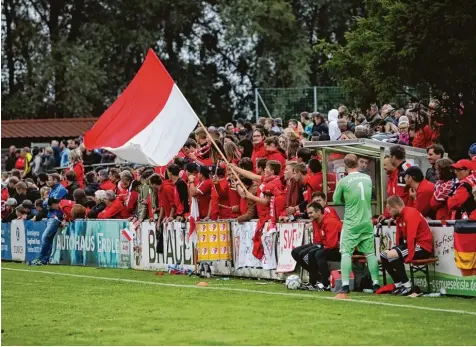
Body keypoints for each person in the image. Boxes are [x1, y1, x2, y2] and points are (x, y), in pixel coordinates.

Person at [333, 154, 380, 297]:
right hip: (366, 220)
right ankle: (376, 283)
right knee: (370, 253)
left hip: (352, 222)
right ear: (358, 164)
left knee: (346, 252)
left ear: (345, 165)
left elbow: (335, 200)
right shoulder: (367, 178)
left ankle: (345, 285)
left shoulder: (343, 181)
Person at [380, 196, 433, 295]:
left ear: (396, 207)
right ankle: (398, 284)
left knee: (392, 255)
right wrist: (397, 249)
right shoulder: (399, 217)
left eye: (389, 209)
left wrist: (409, 256)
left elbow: (411, 237)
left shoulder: (411, 214)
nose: (388, 212)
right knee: (384, 255)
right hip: (413, 245)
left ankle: (407, 286)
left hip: (423, 246)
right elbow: (399, 238)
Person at [291, 202, 342, 290]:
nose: (309, 215)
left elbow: (331, 244)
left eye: (311, 213)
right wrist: (318, 245)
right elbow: (318, 240)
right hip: (325, 245)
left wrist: (318, 246)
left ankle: (325, 283)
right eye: (308, 213)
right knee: (297, 252)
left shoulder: (330, 222)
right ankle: (315, 279)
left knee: (315, 253)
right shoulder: (315, 221)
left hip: (339, 249)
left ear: (319, 212)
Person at [30, 174, 68, 266]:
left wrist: (47, 202)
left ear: (55, 180)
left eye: (50, 180)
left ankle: (41, 259)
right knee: (48, 238)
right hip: (51, 215)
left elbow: (51, 202)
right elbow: (45, 203)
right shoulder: (53, 189)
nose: (48, 182)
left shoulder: (60, 189)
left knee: (45, 237)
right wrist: (47, 202)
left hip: (56, 216)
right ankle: (44, 259)